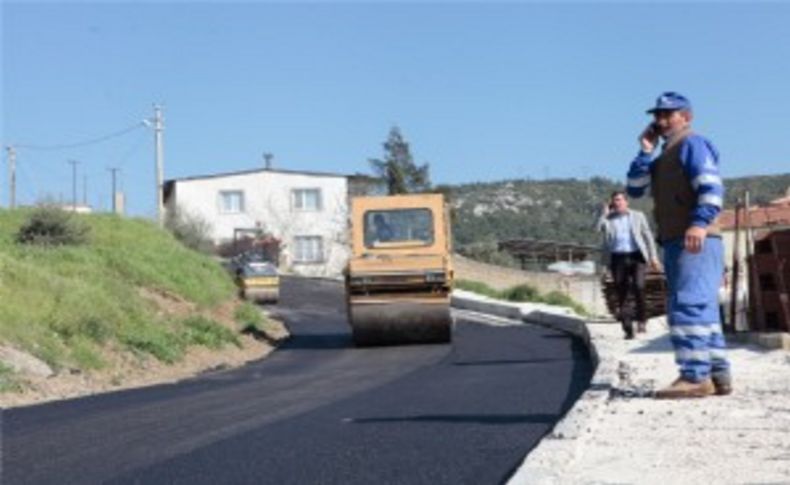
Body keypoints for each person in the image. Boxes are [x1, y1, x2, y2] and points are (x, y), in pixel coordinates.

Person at [626, 91, 732, 399]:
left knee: (688, 304)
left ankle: (695, 377)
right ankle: (717, 374)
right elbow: (635, 190)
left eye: (667, 115)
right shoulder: (663, 157)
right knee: (703, 307)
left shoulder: (692, 145)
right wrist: (645, 151)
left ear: (686, 117)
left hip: (695, 238)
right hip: (676, 239)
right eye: (656, 116)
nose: (660, 121)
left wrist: (699, 222)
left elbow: (711, 187)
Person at [597, 191, 660, 339]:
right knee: (622, 292)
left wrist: (653, 257)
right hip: (617, 258)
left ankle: (642, 319)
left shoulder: (638, 216)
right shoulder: (609, 219)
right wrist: (604, 214)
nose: (617, 203)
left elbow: (648, 237)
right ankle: (627, 327)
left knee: (639, 286)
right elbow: (598, 228)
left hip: (637, 256)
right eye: (615, 201)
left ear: (626, 202)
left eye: (620, 200)